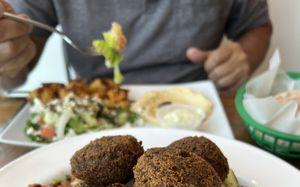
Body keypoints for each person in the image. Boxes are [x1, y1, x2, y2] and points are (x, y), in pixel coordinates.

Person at [0, 0, 272, 91]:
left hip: (197, 109)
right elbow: (20, 43)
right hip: (96, 105)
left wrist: (243, 58)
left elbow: (257, 25)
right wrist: (8, 57)